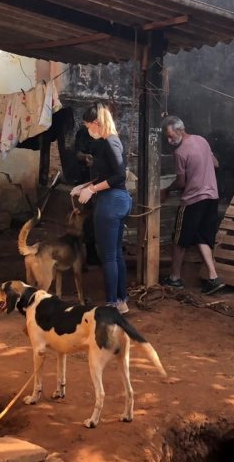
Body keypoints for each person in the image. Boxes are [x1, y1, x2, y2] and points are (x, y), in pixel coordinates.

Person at [70, 103, 132, 313]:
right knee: (115, 254)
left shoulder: (110, 143)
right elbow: (108, 174)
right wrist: (85, 186)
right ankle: (121, 301)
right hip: (116, 201)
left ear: (96, 123)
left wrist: (93, 189)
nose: (88, 129)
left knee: (108, 256)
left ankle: (112, 303)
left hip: (111, 202)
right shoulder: (110, 141)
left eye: (88, 125)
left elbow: (119, 175)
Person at [159, 116, 225, 295]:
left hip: (193, 200)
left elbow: (181, 182)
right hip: (211, 197)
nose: (169, 140)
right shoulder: (202, 140)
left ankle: (174, 278)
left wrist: (166, 190)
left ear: (181, 130)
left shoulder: (179, 153)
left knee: (179, 240)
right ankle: (213, 277)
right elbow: (215, 163)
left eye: (171, 136)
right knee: (202, 236)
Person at [73, 124, 102, 266]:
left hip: (102, 181)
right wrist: (86, 157)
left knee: (102, 216)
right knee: (88, 217)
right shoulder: (84, 132)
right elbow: (77, 153)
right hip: (87, 180)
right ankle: (90, 253)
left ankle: (104, 250)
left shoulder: (107, 133)